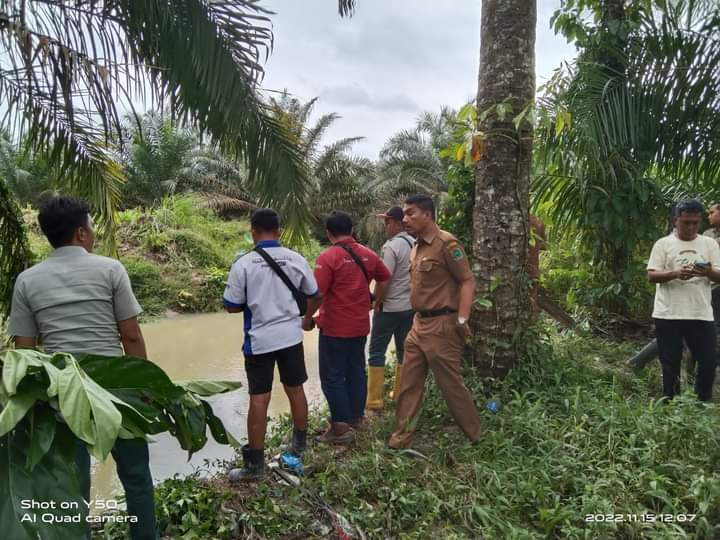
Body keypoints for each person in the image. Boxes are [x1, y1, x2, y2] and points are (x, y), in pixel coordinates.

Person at [8, 196, 157, 540]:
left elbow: (26, 354)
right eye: (90, 225)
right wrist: (144, 388)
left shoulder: (28, 281)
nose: (92, 231)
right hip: (117, 390)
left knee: (72, 486)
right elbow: (131, 336)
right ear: (80, 232)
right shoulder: (110, 270)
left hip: (63, 392)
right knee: (136, 477)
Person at [223, 208, 321, 481]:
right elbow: (315, 295)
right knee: (295, 388)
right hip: (291, 337)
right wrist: (306, 319)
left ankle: (255, 465)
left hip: (260, 341)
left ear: (253, 232)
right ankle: (300, 445)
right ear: (279, 231)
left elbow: (231, 306)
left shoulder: (243, 264)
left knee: (259, 397)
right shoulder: (296, 258)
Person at [388, 194, 483, 449]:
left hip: (442, 325)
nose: (405, 218)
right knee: (408, 384)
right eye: (404, 214)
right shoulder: (416, 246)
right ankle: (401, 439)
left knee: (450, 385)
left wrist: (462, 319)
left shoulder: (446, 243)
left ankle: (475, 436)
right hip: (418, 324)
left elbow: (467, 280)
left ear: (427, 215)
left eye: (410, 213)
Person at [302, 210, 391, 444]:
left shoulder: (328, 257)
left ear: (329, 233)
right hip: (360, 325)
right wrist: (376, 301)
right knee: (355, 370)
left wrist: (307, 317)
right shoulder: (369, 255)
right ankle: (356, 417)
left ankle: (340, 428)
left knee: (332, 376)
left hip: (334, 327)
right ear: (352, 230)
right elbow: (385, 278)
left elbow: (318, 294)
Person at [647, 199, 720, 401]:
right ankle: (670, 402)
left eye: (695, 223)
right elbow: (652, 276)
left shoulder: (709, 244)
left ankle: (701, 402)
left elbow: (718, 275)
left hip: (701, 313)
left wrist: (708, 271)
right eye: (686, 222)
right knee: (670, 362)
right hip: (668, 313)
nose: (691, 227)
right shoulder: (663, 244)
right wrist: (675, 273)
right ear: (675, 220)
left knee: (708, 360)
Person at [366, 206, 415, 410]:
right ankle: (399, 394)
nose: (385, 227)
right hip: (410, 307)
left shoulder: (391, 247)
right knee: (404, 350)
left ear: (398, 223)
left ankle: (375, 400)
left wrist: (377, 302)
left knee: (376, 351)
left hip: (389, 308)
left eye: (387, 222)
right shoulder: (415, 243)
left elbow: (384, 279)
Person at [528, 214, 546, 315]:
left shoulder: (515, 223)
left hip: (518, 270)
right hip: (534, 271)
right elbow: (544, 245)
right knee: (532, 300)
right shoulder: (538, 221)